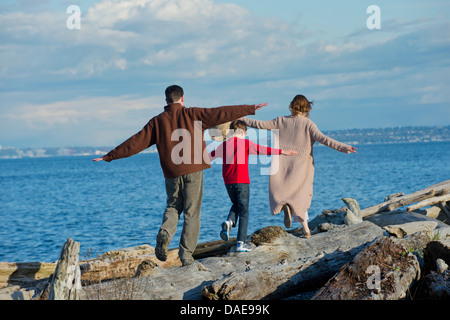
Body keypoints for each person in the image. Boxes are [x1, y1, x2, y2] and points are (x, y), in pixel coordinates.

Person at [93, 85, 267, 266]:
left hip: (172, 173)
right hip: (193, 170)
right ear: (182, 98)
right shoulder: (193, 114)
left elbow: (136, 141)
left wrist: (110, 156)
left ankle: (165, 232)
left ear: (166, 100)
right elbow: (221, 113)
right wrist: (250, 108)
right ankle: (186, 257)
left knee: (173, 206)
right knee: (192, 213)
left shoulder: (157, 121)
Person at [240, 94, 356, 238]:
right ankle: (306, 230)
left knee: (283, 192)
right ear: (307, 107)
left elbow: (259, 124)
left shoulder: (280, 121)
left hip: (282, 165)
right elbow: (324, 140)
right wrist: (344, 147)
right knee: (301, 198)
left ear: (292, 106)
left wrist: (239, 118)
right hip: (301, 168)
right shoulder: (308, 124)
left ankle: (286, 208)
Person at [209, 120, 297, 252]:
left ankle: (229, 222)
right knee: (244, 212)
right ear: (244, 132)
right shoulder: (245, 143)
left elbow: (207, 158)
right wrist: (282, 151)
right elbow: (263, 150)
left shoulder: (223, 145)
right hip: (242, 181)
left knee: (236, 205)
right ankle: (240, 243)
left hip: (228, 182)